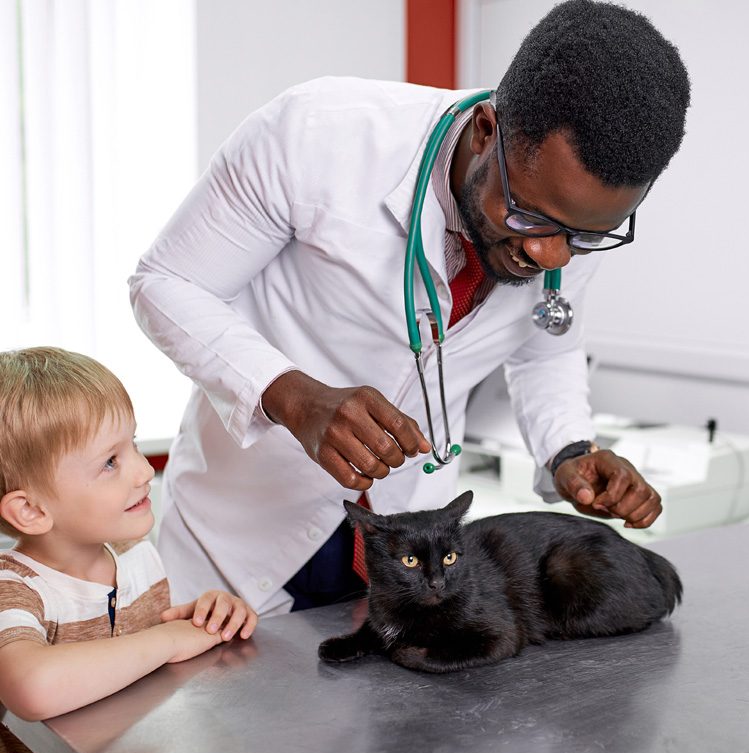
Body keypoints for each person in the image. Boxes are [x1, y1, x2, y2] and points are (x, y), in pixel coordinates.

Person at [129, 0, 691, 615]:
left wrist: (569, 452)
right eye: (528, 216)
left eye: (583, 235)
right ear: (485, 131)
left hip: (417, 549)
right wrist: (291, 395)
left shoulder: (573, 216)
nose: (548, 253)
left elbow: (544, 345)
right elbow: (167, 282)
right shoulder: (317, 134)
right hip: (237, 540)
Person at [0, 347, 257, 753]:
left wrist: (202, 616)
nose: (142, 471)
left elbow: (146, 660)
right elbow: (30, 686)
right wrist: (168, 640)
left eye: (133, 445)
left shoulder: (135, 555)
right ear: (31, 510)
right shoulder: (14, 589)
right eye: (110, 462)